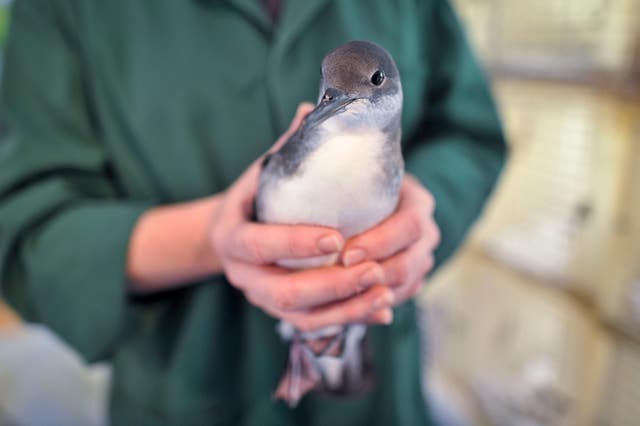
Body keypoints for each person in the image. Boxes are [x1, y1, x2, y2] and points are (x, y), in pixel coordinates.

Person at [0, 0, 506, 425]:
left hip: (376, 380)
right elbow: (25, 227)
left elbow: (469, 132)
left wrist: (419, 212)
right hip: (190, 387)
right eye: (331, 93)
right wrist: (211, 238)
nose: (332, 104)